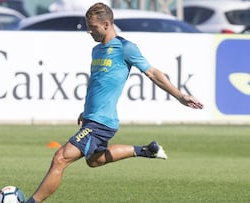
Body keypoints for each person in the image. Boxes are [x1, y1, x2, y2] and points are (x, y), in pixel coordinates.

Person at [25, 3, 204, 203]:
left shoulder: (125, 48)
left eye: (92, 27)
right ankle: (144, 150)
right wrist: (86, 112)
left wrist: (180, 96)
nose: (88, 31)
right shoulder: (96, 50)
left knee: (60, 158)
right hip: (92, 118)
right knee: (94, 160)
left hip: (102, 122)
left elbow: (153, 72)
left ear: (107, 24)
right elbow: (99, 84)